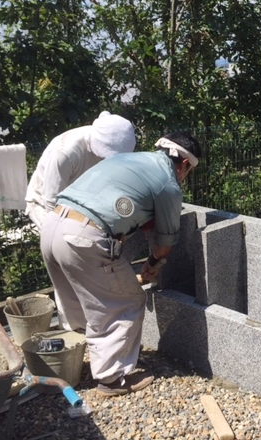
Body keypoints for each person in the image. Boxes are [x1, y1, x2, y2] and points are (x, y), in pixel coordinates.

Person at [39, 131, 201, 397]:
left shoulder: (125, 160)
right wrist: (153, 263)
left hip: (52, 226)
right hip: (82, 237)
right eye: (188, 172)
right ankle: (111, 379)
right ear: (184, 164)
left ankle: (76, 362)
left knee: (80, 299)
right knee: (126, 302)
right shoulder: (167, 184)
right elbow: (164, 245)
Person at [25, 112, 137, 230]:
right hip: (44, 204)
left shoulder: (112, 138)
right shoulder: (65, 152)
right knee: (65, 243)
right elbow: (51, 199)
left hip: (80, 202)